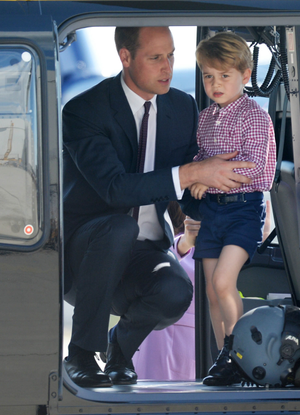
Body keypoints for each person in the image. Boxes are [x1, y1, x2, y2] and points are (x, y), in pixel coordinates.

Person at [62, 26, 256, 388]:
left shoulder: (182, 107)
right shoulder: (84, 110)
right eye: (155, 58)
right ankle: (81, 355)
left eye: (171, 56)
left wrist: (224, 206)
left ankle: (119, 351)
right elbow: (115, 189)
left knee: (175, 291)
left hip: (144, 252)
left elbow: (186, 189)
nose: (167, 67)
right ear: (125, 57)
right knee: (120, 226)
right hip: (86, 255)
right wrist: (192, 171)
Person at [190, 32, 277, 386]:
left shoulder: (254, 117)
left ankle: (237, 352)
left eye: (224, 75)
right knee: (211, 289)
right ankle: (222, 360)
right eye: (208, 75)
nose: (215, 83)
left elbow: (259, 168)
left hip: (242, 211)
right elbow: (200, 156)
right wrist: (197, 171)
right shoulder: (206, 117)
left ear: (244, 74)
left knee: (225, 282)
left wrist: (207, 177)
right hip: (211, 212)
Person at [132, 202, 200, 380]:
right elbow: (155, 260)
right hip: (157, 338)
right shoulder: (150, 227)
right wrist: (184, 243)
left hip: (195, 343)